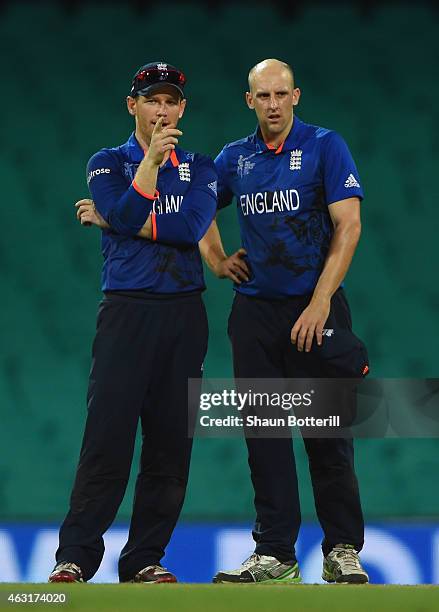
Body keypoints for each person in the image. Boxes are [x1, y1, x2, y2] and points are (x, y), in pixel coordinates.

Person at [200, 58, 370, 584]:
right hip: (255, 315)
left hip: (313, 308)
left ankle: (341, 549)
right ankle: (275, 553)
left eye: (281, 94)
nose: (273, 104)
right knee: (265, 436)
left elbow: (350, 225)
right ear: (248, 101)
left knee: (326, 435)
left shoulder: (325, 146)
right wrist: (217, 259)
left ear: (296, 96)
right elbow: (198, 208)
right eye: (262, 96)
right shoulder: (233, 158)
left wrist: (320, 302)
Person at [48, 62, 217, 584]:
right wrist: (147, 168)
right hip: (126, 311)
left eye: (170, 101)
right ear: (133, 106)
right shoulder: (106, 162)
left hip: (184, 314)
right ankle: (74, 558)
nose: (161, 110)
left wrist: (117, 219)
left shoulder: (201, 168)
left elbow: (190, 229)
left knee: (170, 444)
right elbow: (125, 214)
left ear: (182, 108)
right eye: (151, 100)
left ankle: (144, 558)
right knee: (107, 437)